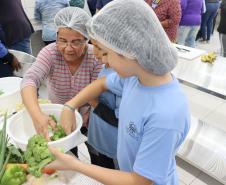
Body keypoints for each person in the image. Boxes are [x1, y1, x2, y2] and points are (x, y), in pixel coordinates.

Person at [47, 0, 190, 185]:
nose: (104, 62)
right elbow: (101, 84)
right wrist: (69, 106)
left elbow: (140, 181)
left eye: (106, 54)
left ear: (129, 52)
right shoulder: (135, 78)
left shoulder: (166, 116)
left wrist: (74, 164)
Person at [21, 7, 102, 140]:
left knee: (94, 153)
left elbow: (95, 95)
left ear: (86, 39)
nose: (68, 48)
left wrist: (74, 111)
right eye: (63, 40)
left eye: (76, 42)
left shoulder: (95, 56)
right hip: (58, 118)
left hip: (88, 118)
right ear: (56, 36)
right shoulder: (50, 53)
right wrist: (37, 115)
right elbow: (29, 80)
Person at [87, 39, 120, 169]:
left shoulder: (121, 74)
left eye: (98, 47)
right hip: (100, 134)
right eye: (93, 45)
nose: (94, 51)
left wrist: (94, 103)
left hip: (112, 141)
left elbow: (119, 120)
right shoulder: (106, 65)